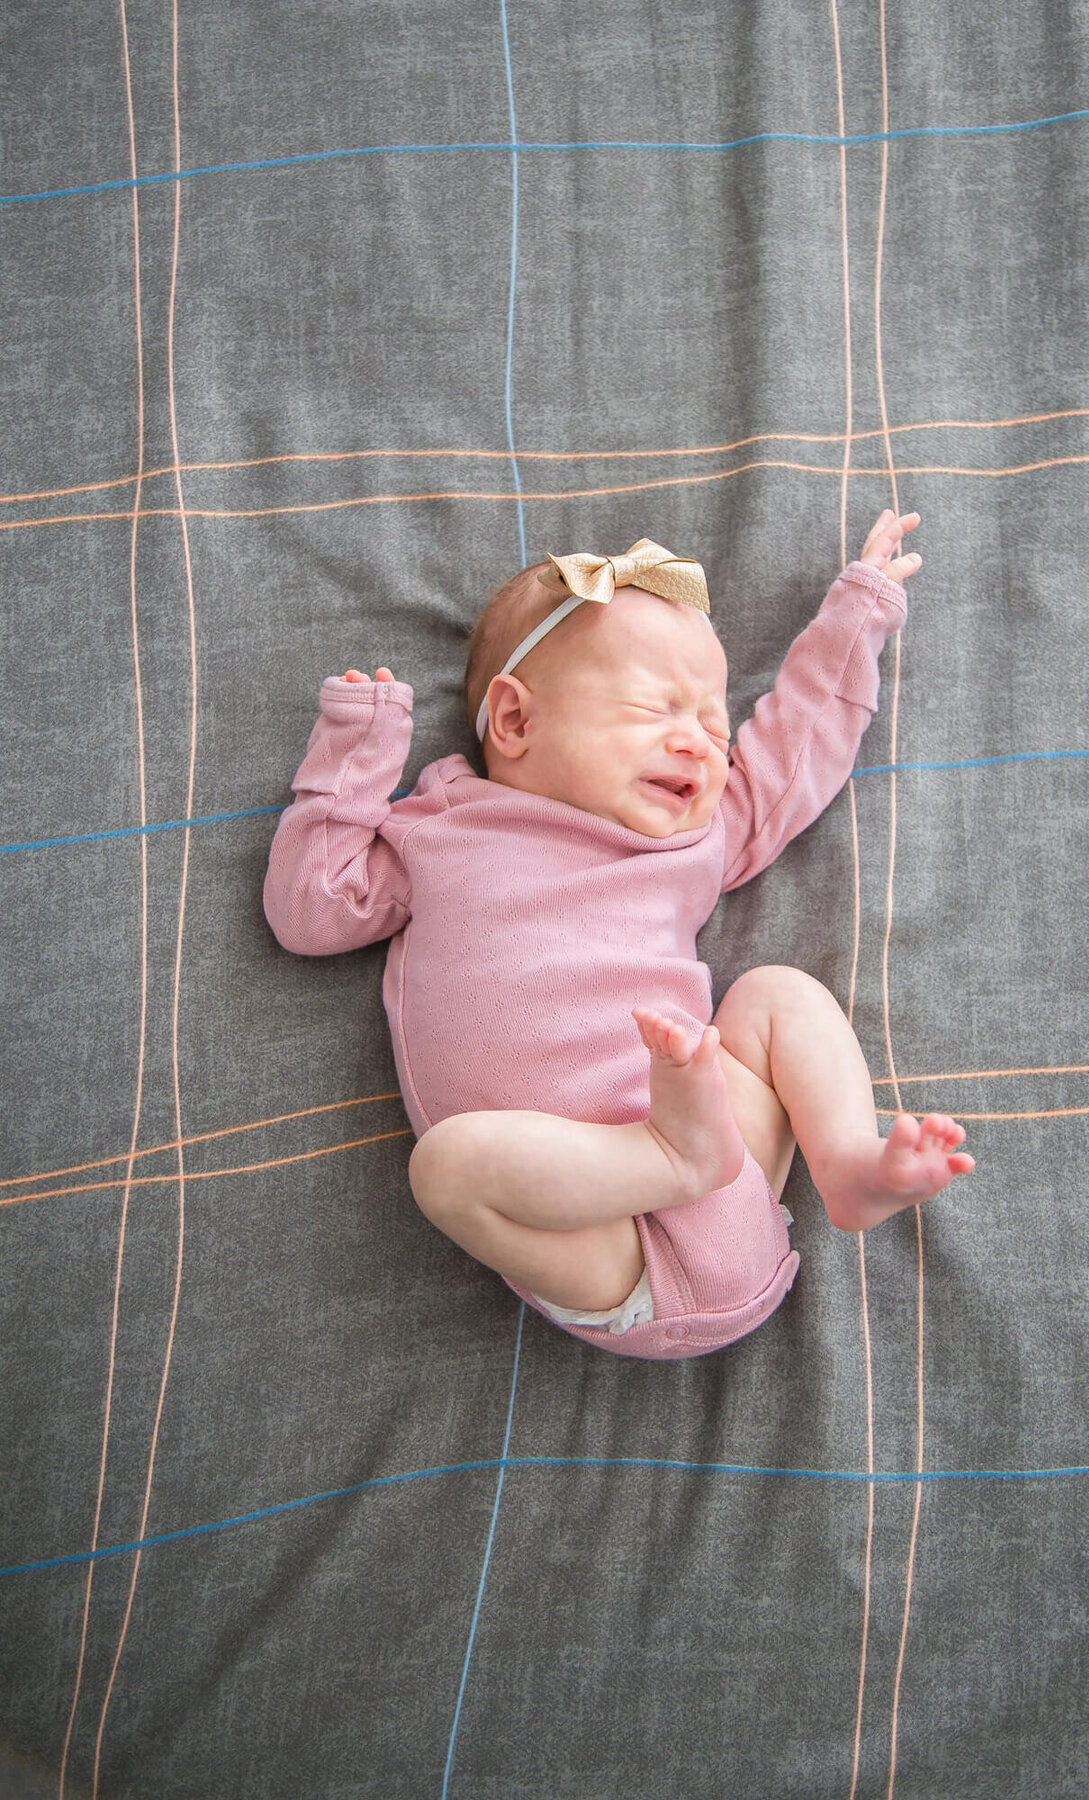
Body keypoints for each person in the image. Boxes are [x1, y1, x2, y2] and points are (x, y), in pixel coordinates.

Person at [263, 510, 973, 1360]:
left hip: (731, 1178)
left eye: (714, 724)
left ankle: (848, 1163)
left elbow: (792, 756)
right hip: (607, 1247)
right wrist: (357, 752)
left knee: (780, 996)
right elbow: (311, 910)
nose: (702, 744)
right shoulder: (437, 831)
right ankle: (672, 1157)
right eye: (656, 708)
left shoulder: (690, 837)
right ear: (517, 722)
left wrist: (858, 617)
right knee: (451, 1167)